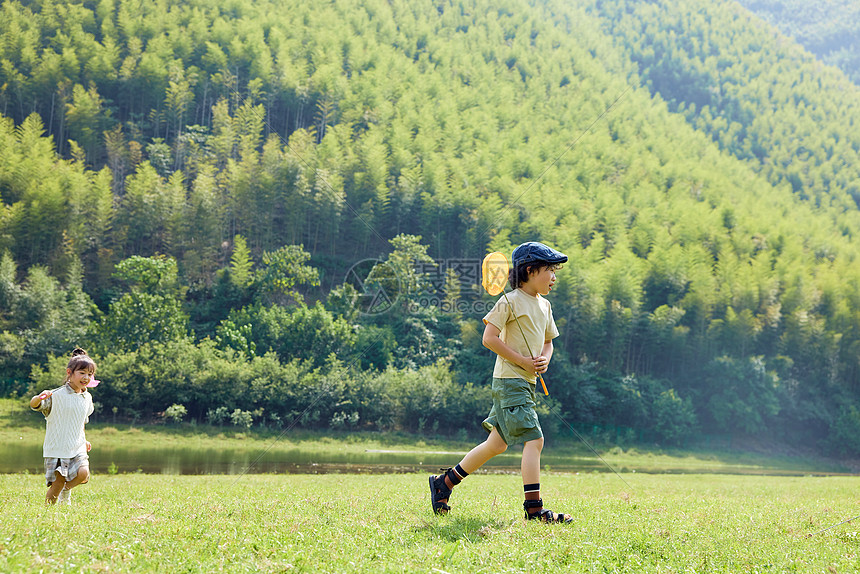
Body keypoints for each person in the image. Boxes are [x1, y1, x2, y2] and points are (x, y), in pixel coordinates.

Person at [429, 241, 573, 523]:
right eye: (550, 270)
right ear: (531, 270)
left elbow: (548, 342)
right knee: (535, 440)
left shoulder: (545, 305)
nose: (554, 277)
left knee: (496, 445)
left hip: (526, 382)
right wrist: (521, 360)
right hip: (510, 381)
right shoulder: (508, 301)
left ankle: (444, 483)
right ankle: (534, 510)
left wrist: (545, 359)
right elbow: (489, 338)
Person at [30, 348, 99, 505]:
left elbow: (81, 421)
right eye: (82, 373)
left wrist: (84, 439)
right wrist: (38, 397)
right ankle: (49, 511)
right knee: (57, 484)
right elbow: (35, 405)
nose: (86, 377)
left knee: (83, 474)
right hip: (57, 447)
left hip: (77, 445)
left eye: (89, 374)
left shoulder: (87, 398)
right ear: (70, 372)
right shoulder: (55, 395)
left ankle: (66, 491)